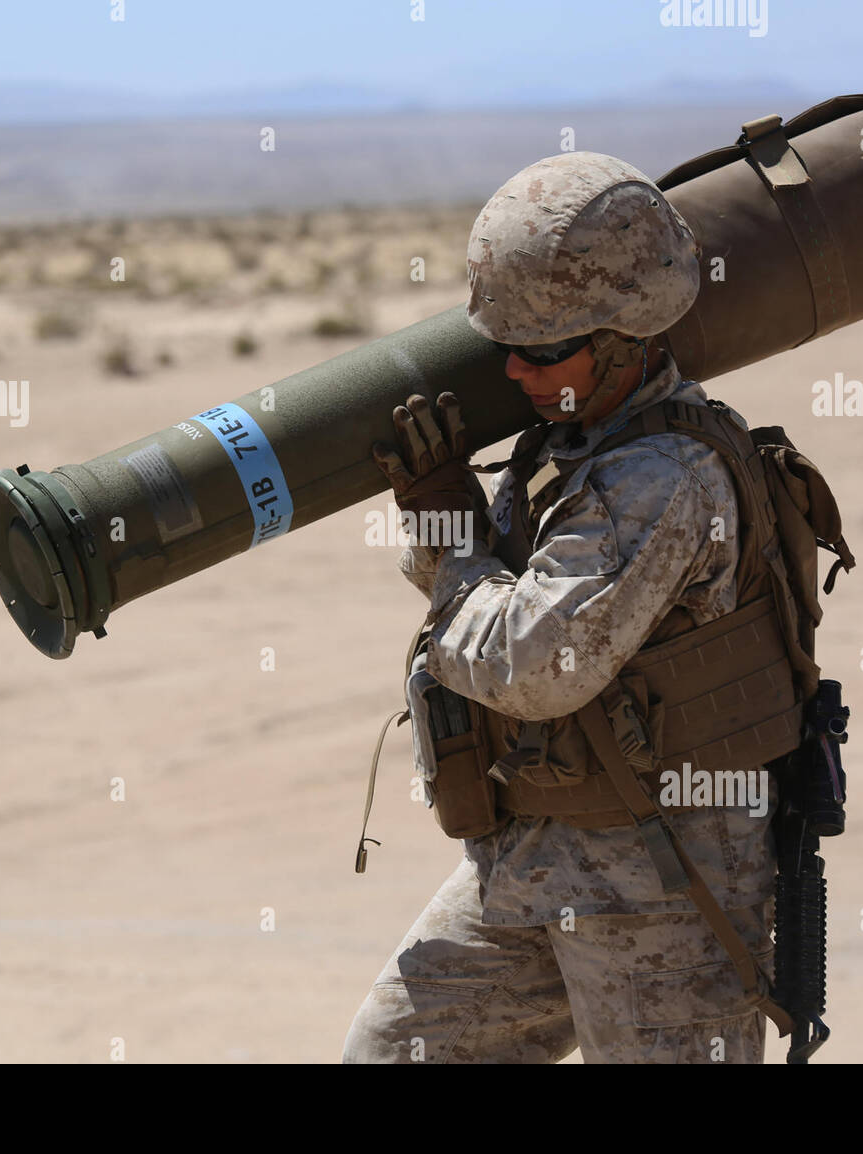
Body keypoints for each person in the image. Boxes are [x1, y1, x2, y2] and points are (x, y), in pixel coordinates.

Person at [344, 151, 787, 1064]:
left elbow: (532, 667)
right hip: (535, 854)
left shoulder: (663, 477)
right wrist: (441, 516)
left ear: (630, 337)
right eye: (506, 347)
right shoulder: (566, 446)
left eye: (545, 351)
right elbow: (462, 595)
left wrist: (456, 548)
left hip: (664, 889)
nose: (514, 371)